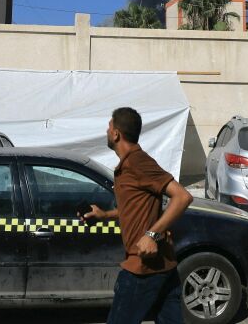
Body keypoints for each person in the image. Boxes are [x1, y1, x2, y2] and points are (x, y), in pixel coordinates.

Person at [83, 107, 194, 324]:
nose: (106, 131)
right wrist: (105, 215)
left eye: (109, 126)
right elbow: (136, 207)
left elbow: (182, 197)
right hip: (163, 265)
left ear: (116, 134)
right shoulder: (127, 166)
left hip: (143, 268)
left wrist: (151, 234)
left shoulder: (138, 162)